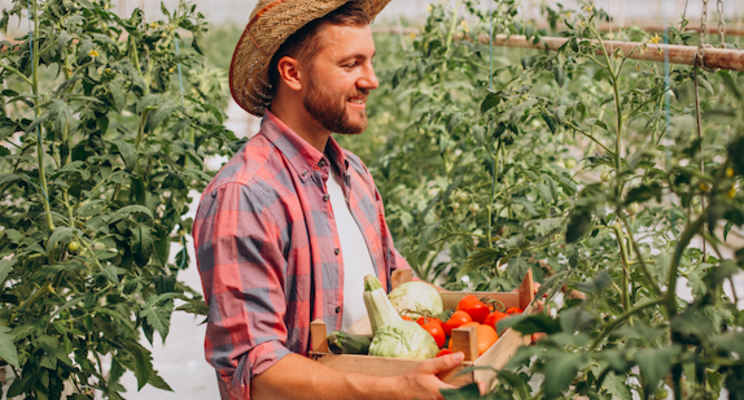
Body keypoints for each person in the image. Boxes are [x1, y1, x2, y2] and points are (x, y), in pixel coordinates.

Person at [192, 1, 470, 399]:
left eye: (370, 61)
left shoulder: (353, 174)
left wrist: (492, 328)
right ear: (292, 73)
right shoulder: (245, 195)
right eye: (350, 64)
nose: (371, 80)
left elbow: (398, 290)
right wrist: (387, 389)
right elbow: (256, 371)